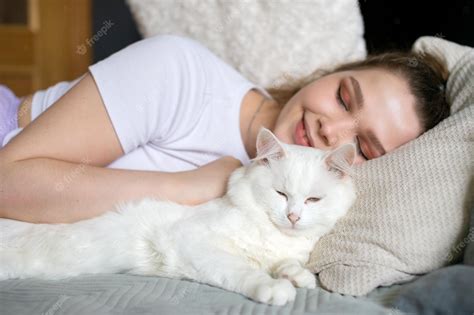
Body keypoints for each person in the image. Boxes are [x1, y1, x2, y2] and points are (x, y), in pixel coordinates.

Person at [0, 35, 449, 224]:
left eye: (365, 147)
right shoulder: (177, 72)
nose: (332, 130)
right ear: (329, 73)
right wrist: (194, 187)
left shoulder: (304, 209)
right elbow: (7, 182)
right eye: (343, 98)